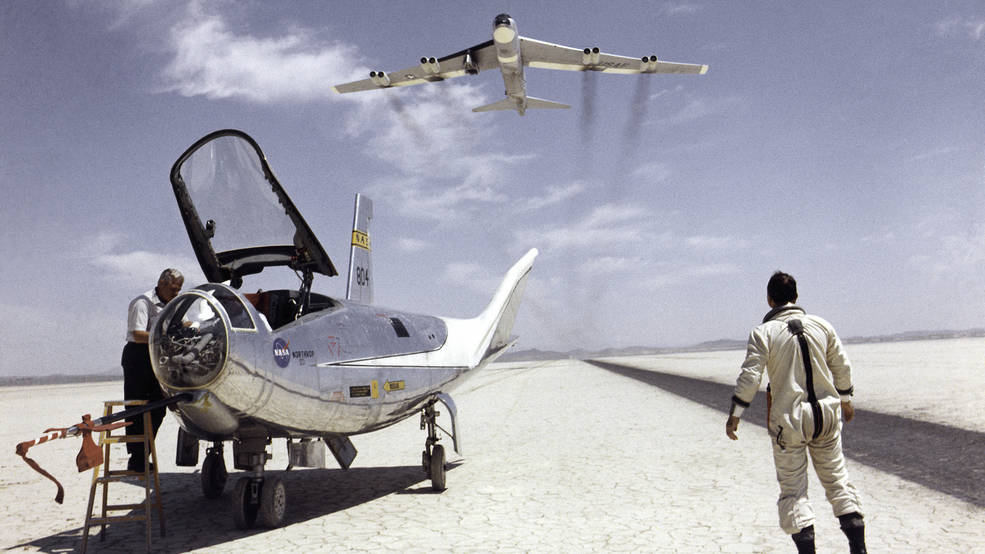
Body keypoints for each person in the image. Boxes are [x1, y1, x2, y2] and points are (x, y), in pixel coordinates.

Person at [726, 271, 866, 554]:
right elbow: (841, 365)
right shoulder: (822, 325)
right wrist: (846, 400)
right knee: (838, 483)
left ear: (769, 299)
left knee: (794, 492)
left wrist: (736, 413)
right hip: (827, 416)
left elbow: (750, 376)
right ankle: (859, 549)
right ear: (796, 297)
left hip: (789, 422)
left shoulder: (763, 333)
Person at [122, 268, 183, 472]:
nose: (176, 293)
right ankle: (136, 458)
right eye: (174, 289)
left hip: (157, 356)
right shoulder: (143, 302)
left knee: (159, 407)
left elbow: (179, 323)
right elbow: (138, 334)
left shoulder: (171, 305)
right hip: (138, 356)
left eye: (179, 290)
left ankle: (143, 454)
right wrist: (162, 337)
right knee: (137, 407)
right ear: (162, 284)